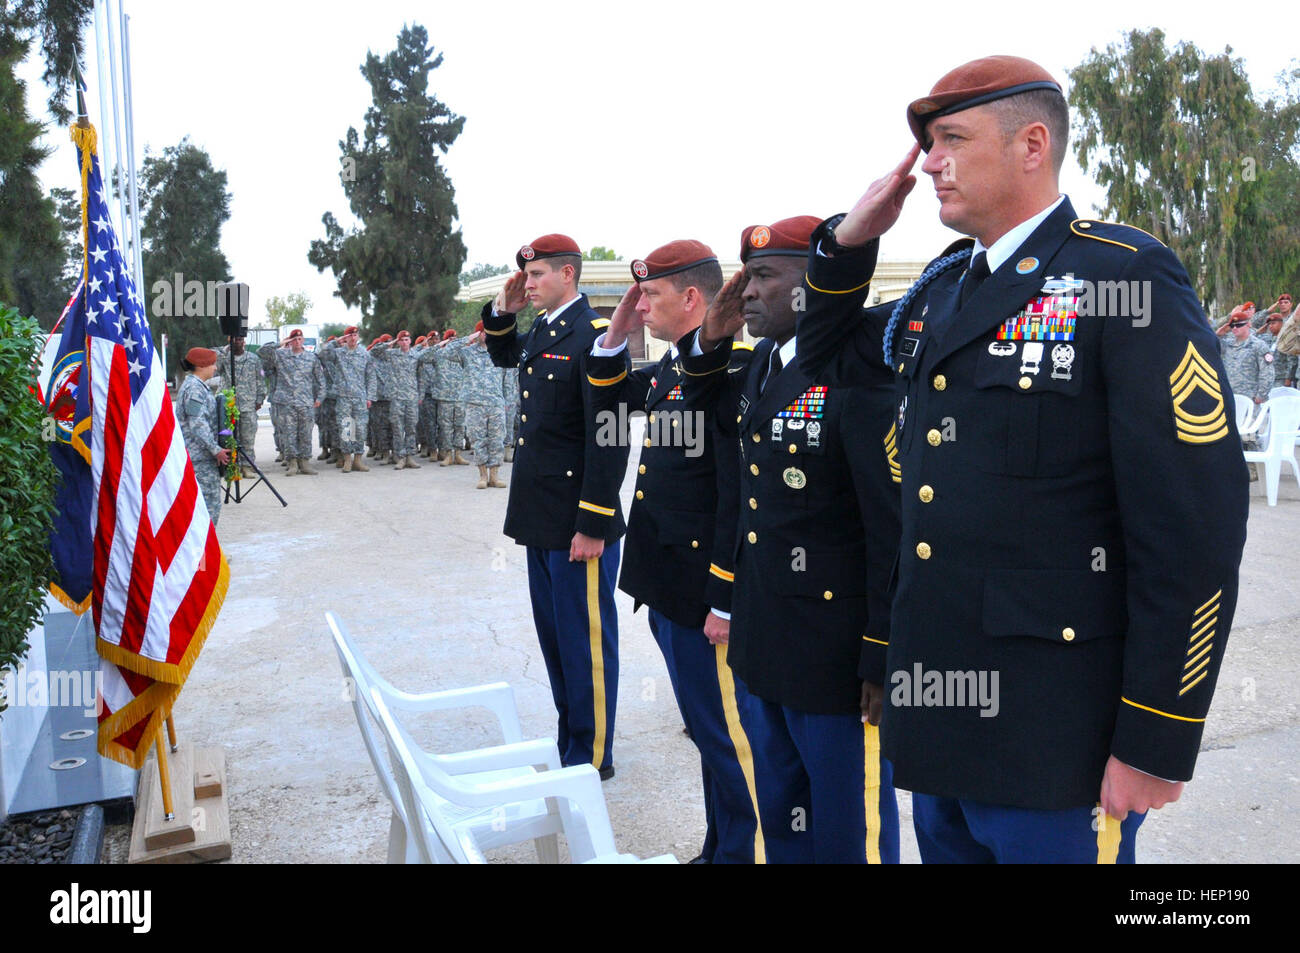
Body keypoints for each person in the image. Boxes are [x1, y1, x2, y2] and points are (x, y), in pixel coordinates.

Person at [795, 54, 1249, 862]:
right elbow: (822, 352)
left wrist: (1158, 734)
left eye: (950, 140)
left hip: (1055, 738)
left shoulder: (1121, 276)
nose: (929, 163)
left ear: (1031, 144)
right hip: (939, 721)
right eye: (929, 145)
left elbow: (1192, 524)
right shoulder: (944, 289)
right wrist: (849, 238)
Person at [680, 221, 901, 863]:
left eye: (765, 277)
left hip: (832, 655)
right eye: (745, 277)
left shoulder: (856, 373)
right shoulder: (762, 368)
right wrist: (714, 336)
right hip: (764, 641)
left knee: (847, 830)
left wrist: (881, 652)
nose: (745, 292)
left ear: (816, 287)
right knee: (781, 817)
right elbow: (707, 418)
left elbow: (889, 525)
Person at [586, 240, 764, 863]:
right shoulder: (672, 368)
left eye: (651, 297)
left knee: (729, 740)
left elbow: (737, 498)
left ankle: (746, 852)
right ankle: (720, 847)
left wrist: (725, 597)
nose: (642, 309)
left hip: (703, 596)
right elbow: (608, 392)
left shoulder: (733, 372)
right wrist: (616, 327)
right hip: (667, 587)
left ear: (693, 297)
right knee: (707, 737)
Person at [483, 233, 628, 779]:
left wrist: (593, 522)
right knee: (555, 639)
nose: (530, 283)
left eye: (538, 275)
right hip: (542, 517)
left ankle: (591, 758)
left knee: (585, 642)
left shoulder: (594, 335)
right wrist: (504, 309)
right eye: (527, 275)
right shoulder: (545, 328)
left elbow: (608, 434)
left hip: (577, 521)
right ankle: (572, 737)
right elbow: (502, 353)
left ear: (568, 274)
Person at [177, 347, 231, 525]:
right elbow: (197, 424)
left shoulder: (197, 386)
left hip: (200, 457)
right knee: (208, 507)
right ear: (201, 365)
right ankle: (206, 551)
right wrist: (216, 450)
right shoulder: (195, 389)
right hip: (200, 459)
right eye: (212, 364)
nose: (215, 368)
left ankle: (208, 551)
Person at [451, 323, 507, 488]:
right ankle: (483, 476)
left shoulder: (499, 351)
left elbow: (507, 377)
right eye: (482, 332)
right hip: (475, 404)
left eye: (489, 331)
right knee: (478, 440)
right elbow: (444, 353)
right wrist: (467, 339)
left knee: (497, 440)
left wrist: (507, 400)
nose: (486, 335)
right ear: (477, 334)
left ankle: (494, 477)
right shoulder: (467, 353)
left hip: (496, 403)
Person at [321, 326, 376, 472]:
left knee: (361, 429)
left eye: (355, 335)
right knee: (346, 428)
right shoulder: (338, 353)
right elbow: (323, 354)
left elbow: (370, 376)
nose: (353, 338)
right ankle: (347, 460)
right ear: (345, 338)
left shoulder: (364, 354)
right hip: (344, 398)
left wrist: (370, 396)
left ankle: (358, 460)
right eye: (349, 336)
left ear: (358, 337)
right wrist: (335, 342)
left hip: (360, 398)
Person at [272, 328, 325, 476]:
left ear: (303, 340)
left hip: (305, 401)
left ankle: (305, 462)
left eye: (300, 339)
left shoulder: (311, 357)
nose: (297, 342)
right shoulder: (281, 355)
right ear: (290, 341)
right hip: (286, 402)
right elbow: (264, 352)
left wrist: (319, 398)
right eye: (294, 339)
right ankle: (292, 463)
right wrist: (281, 343)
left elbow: (320, 379)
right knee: (289, 433)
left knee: (305, 433)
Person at [373, 329, 424, 469]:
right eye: (401, 340)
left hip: (412, 397)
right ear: (398, 342)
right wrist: (392, 342)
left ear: (411, 341)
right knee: (397, 428)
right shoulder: (392, 354)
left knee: (411, 427)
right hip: (396, 398)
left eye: (406, 340)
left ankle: (410, 457)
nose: (404, 342)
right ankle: (400, 457)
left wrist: (421, 394)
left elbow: (421, 376)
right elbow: (374, 352)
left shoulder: (416, 356)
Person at [216, 334, 266, 477]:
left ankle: (247, 466)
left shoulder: (253, 359)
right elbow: (216, 367)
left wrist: (260, 398)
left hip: (248, 404)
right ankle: (233, 467)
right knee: (229, 438)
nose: (238, 342)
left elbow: (260, 379)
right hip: (228, 404)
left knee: (248, 438)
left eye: (240, 339)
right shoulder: (225, 357)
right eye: (235, 339)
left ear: (244, 341)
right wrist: (226, 349)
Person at [433, 330, 470, 466]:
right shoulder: (440, 353)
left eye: (455, 338)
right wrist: (441, 344)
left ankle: (458, 454)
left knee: (460, 426)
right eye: (450, 339)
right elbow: (424, 356)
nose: (453, 341)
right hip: (445, 397)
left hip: (460, 396)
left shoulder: (463, 354)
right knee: (445, 427)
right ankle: (448, 454)